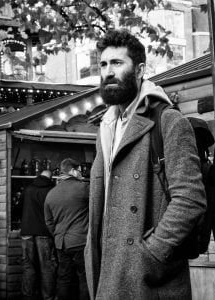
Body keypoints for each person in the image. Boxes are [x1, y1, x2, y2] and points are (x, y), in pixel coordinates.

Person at [84, 29, 207, 300]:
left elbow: (190, 199)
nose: (108, 72)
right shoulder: (106, 127)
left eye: (117, 63)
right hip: (106, 269)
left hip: (149, 280)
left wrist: (150, 254)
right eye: (103, 64)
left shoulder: (169, 121)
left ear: (140, 70)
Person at [44, 158, 90, 300]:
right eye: (79, 170)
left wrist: (57, 235)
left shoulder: (51, 194)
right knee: (84, 278)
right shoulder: (84, 188)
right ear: (72, 171)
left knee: (64, 278)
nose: (81, 173)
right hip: (80, 241)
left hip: (61, 243)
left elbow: (49, 222)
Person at [20, 169, 57, 300]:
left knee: (28, 265)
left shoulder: (28, 189)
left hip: (27, 231)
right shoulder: (52, 190)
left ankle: (28, 296)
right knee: (46, 266)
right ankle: (48, 297)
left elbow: (18, 208)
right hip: (44, 232)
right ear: (51, 178)